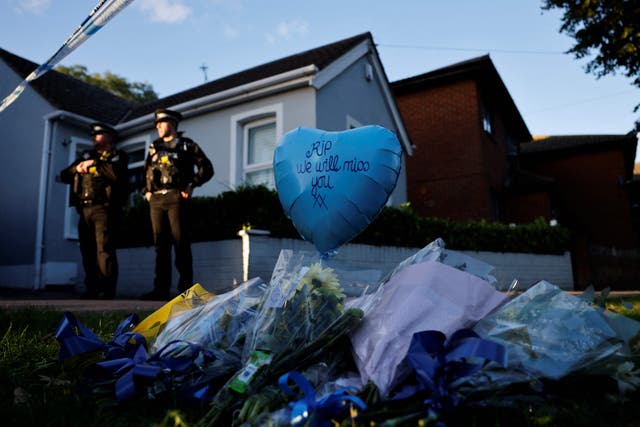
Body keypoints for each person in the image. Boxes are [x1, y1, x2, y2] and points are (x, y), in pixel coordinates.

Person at [141, 108, 214, 300]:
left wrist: (191, 185)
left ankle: (185, 291)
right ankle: (160, 290)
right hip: (156, 199)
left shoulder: (187, 146)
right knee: (160, 245)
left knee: (181, 243)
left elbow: (207, 168)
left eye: (161, 123)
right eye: (156, 123)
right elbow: (146, 170)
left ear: (172, 124)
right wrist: (147, 192)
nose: (157, 126)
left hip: (176, 198)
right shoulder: (154, 147)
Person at [60, 122, 129, 299]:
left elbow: (117, 175)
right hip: (84, 209)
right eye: (93, 135)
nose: (93, 137)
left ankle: (107, 290)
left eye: (98, 134)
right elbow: (64, 175)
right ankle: (92, 288)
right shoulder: (85, 156)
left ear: (109, 138)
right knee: (87, 249)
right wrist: (77, 167)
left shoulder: (117, 155)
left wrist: (95, 164)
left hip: (104, 209)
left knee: (104, 249)